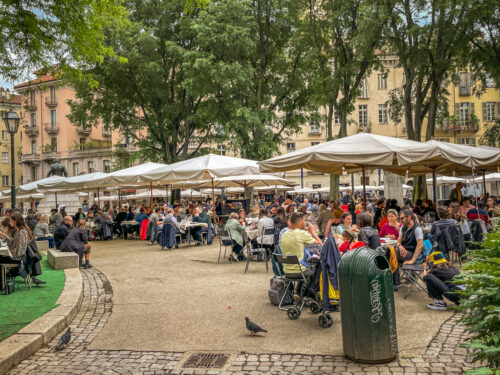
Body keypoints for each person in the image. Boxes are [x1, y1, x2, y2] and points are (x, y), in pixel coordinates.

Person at [280, 212, 322, 298]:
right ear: (300, 222)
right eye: (304, 221)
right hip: (299, 271)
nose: (305, 222)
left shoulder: (284, 234)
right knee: (317, 266)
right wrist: (312, 232)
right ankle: (309, 294)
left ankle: (298, 292)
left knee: (304, 266)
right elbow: (320, 243)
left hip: (287, 271)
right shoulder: (301, 234)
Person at [0, 212, 44, 288]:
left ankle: (1, 284)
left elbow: (20, 251)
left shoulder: (22, 232)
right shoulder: (18, 231)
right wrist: (5, 236)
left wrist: (10, 252)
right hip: (17, 256)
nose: (9, 222)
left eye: (10, 220)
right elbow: (13, 243)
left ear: (15, 221)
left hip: (18, 258)